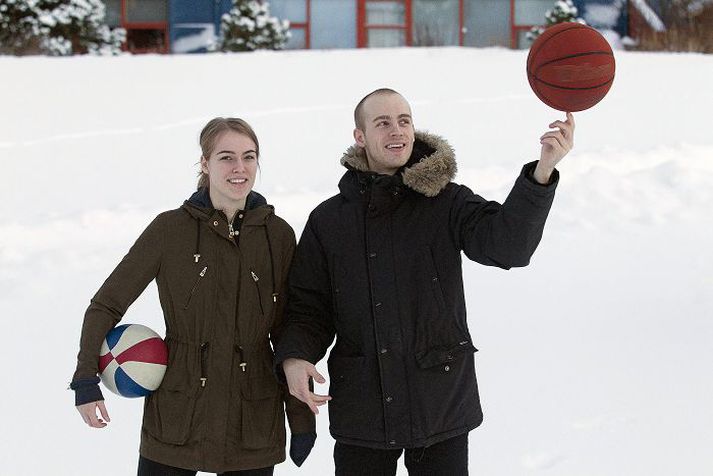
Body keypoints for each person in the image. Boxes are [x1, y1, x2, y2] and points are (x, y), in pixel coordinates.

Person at [274, 88, 575, 475]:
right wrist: (298, 355)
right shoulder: (329, 221)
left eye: (404, 120)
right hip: (364, 407)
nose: (396, 130)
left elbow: (508, 247)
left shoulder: (446, 202)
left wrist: (543, 170)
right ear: (360, 137)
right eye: (382, 122)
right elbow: (308, 307)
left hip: (439, 401)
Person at [70, 118, 316, 475]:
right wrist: (85, 379)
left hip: (253, 420)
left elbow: (288, 329)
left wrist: (300, 417)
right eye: (226, 157)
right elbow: (106, 304)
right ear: (205, 163)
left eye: (249, 157)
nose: (239, 168)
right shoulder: (169, 230)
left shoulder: (277, 236)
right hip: (177, 417)